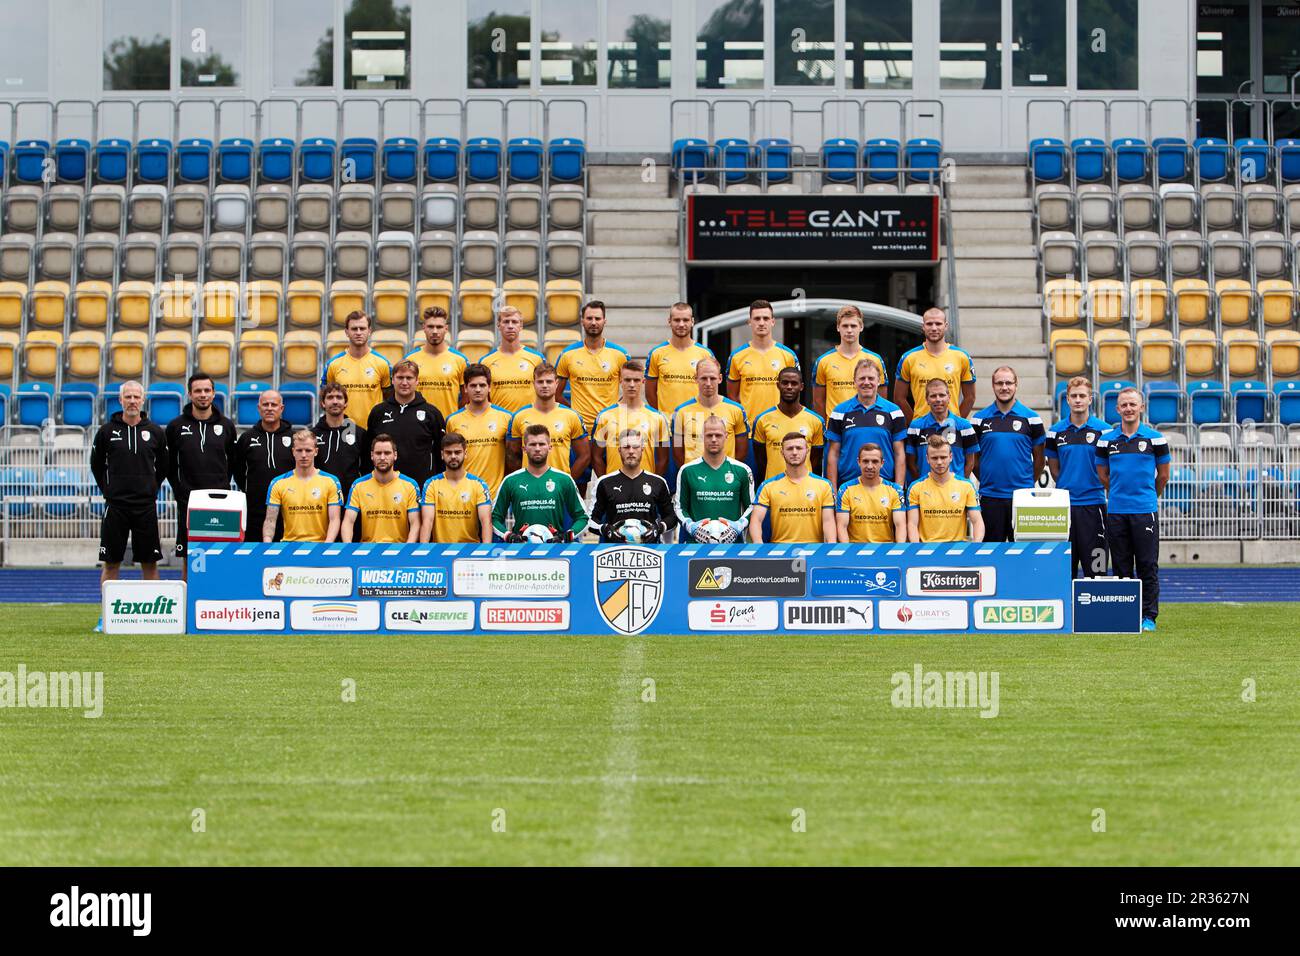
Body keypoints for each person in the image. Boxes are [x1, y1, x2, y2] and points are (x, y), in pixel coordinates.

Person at [90, 381, 167, 631]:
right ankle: (105, 616)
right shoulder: (106, 431)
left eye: (136, 396)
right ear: (120, 400)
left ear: (143, 400)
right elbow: (96, 465)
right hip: (116, 507)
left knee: (149, 562)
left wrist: (150, 488)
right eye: (128, 396)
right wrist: (110, 491)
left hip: (145, 506)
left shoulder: (155, 432)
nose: (132, 401)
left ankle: (154, 617)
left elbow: (164, 466)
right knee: (111, 563)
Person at [1096, 387, 1170, 632]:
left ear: (1141, 407)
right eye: (1124, 405)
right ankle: (1126, 613)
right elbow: (1103, 475)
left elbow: (1163, 476)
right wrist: (1119, 492)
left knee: (1147, 564)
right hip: (1116, 510)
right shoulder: (1106, 440)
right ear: (1117, 409)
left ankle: (1148, 616)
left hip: (1144, 510)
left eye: (1132, 404)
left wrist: (1148, 496)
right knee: (1121, 565)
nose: (1128, 409)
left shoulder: (1155, 438)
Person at [165, 373, 236, 575]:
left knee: (219, 554)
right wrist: (179, 490)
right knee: (190, 556)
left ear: (214, 394)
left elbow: (232, 462)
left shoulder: (227, 425)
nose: (203, 395)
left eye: (207, 390)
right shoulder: (176, 427)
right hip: (189, 501)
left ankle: (217, 601)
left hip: (220, 501)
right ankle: (189, 604)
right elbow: (169, 465)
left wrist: (223, 486)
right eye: (198, 391)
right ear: (189, 394)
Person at [970, 365, 1046, 542]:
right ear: (993, 386)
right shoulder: (979, 419)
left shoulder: (1032, 418)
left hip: (1023, 498)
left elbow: (1040, 461)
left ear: (1016, 384)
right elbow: (974, 460)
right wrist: (989, 479)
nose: (1004, 387)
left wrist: (1024, 483)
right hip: (990, 497)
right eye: (999, 383)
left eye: (1008, 383)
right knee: (991, 554)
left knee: (1022, 555)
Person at [1046, 376, 1110, 579]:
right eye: (1074, 396)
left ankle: (1095, 608)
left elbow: (1108, 469)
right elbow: (1054, 469)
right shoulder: (1055, 432)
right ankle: (1068, 611)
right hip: (1065, 506)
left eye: (1082, 396)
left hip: (1094, 505)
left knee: (1096, 568)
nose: (1078, 400)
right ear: (1067, 400)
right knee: (1065, 569)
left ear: (1090, 399)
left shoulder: (1105, 431)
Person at [492, 424, 589, 542]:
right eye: (532, 444)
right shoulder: (510, 481)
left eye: (542, 444)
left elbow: (583, 517)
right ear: (524, 449)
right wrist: (509, 535)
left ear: (550, 447)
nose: (537, 448)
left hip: (554, 550)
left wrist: (566, 536)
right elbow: (494, 518)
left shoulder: (564, 480)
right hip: (520, 551)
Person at [825, 360, 906, 494]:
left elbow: (899, 454)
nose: (866, 382)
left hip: (886, 487)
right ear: (854, 381)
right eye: (862, 378)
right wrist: (833, 491)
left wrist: (898, 489)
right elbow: (833, 454)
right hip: (847, 488)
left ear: (879, 381)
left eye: (871, 378)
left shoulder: (893, 412)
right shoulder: (840, 411)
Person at [366, 358, 447, 488]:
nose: (404, 382)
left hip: (422, 485)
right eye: (400, 377)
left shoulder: (432, 413)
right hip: (384, 486)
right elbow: (368, 452)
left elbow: (441, 453)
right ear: (392, 380)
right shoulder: (378, 412)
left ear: (417, 381)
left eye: (409, 378)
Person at [673, 415, 756, 542]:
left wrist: (738, 526)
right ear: (702, 437)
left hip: (732, 544)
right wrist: (691, 526)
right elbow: (679, 507)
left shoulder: (742, 470)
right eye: (709, 435)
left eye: (718, 435)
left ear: (726, 436)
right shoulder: (687, 470)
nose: (713, 439)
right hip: (695, 545)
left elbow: (751, 506)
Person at [554, 299, 629, 436]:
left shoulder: (620, 354)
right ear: (582, 320)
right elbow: (555, 394)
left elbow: (632, 389)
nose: (593, 322)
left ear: (604, 320)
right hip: (579, 430)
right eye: (589, 318)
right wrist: (573, 414)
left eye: (597, 318)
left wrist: (614, 410)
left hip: (610, 428)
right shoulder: (568, 354)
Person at [590, 430, 677, 543]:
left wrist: (659, 528)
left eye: (635, 447)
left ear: (642, 449)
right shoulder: (604, 483)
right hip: (614, 551)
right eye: (626, 447)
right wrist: (606, 530)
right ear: (619, 450)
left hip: (650, 550)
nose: (631, 451)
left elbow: (672, 517)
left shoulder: (658, 482)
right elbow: (590, 521)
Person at [749, 433, 836, 544]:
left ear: (807, 450)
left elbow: (828, 521)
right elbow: (756, 520)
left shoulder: (824, 485)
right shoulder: (768, 486)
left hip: (813, 550)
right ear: (782, 452)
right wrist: (758, 546)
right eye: (790, 449)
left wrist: (830, 547)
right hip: (779, 550)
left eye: (799, 448)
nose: (794, 452)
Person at [233, 389, 294, 545]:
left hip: (288, 508)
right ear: (259, 408)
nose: (269, 408)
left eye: (274, 404)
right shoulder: (246, 438)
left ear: (281, 408)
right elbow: (238, 470)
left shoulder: (294, 438)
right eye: (265, 404)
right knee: (255, 554)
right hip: (255, 509)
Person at [726, 299, 799, 426]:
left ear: (772, 322)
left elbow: (795, 392)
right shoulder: (737, 356)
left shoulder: (788, 355)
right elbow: (733, 396)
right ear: (749, 322)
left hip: (781, 426)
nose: (761, 323)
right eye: (757, 319)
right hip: (749, 429)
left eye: (765, 318)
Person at [893, 307, 976, 421]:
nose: (934, 328)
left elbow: (970, 397)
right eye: (929, 324)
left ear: (946, 326)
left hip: (951, 429)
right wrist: (914, 423)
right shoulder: (909, 358)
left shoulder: (961, 356)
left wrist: (956, 422)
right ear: (923, 327)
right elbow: (899, 398)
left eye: (938, 323)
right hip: (921, 430)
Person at [507, 362, 589, 476]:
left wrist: (567, 482)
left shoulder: (571, 416)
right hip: (528, 488)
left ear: (556, 383)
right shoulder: (519, 416)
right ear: (533, 384)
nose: (544, 385)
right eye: (540, 382)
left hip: (559, 488)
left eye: (549, 381)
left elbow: (585, 456)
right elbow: (512, 456)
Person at [263, 428, 343, 543]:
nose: (304, 455)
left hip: (319, 546)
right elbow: (270, 520)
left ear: (316, 451)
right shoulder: (278, 482)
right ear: (293, 451)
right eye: (299, 450)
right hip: (288, 547)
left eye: (308, 450)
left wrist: (326, 546)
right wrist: (267, 542)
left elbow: (335, 519)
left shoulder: (331, 481)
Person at [592, 361, 670, 475]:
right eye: (628, 380)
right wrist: (606, 484)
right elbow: (596, 457)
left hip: (645, 487)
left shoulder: (658, 417)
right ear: (620, 381)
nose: (632, 384)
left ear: (643, 382)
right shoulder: (605, 416)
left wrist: (654, 484)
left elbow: (663, 460)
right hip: (614, 488)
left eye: (637, 380)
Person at [445, 363, 512, 496]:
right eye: (473, 385)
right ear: (465, 388)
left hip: (495, 496)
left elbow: (512, 459)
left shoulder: (506, 418)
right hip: (463, 494)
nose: (478, 389)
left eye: (482, 385)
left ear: (489, 388)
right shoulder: (453, 420)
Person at [341, 434, 422, 543]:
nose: (382, 457)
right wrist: (348, 548)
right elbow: (348, 521)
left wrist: (406, 551)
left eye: (387, 453)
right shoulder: (359, 485)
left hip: (398, 551)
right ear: (372, 455)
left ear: (395, 455)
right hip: (368, 551)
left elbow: (415, 524)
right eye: (378, 453)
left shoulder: (410, 485)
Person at [812, 304, 888, 417]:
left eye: (853, 326)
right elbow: (818, 402)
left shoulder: (875, 360)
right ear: (838, 327)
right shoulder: (823, 361)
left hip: (866, 427)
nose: (849, 330)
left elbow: (882, 400)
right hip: (836, 431)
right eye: (845, 326)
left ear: (861, 327)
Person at [751, 366, 825, 481]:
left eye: (794, 383)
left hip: (805, 489)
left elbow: (815, 459)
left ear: (801, 387)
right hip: (773, 489)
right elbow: (761, 460)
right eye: (785, 383)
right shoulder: (762, 420)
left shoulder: (816, 421)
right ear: (778, 385)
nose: (789, 387)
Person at [671, 358, 749, 468]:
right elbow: (677, 454)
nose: (708, 383)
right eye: (703, 378)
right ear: (696, 379)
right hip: (694, 478)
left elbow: (741, 452)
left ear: (720, 378)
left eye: (712, 378)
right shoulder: (681, 412)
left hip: (726, 477)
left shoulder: (736, 410)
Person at [321, 310, 392, 427]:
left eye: (362, 328)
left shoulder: (382, 363)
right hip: (343, 429)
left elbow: (389, 397)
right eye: (354, 329)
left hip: (374, 429)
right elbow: (324, 397)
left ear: (369, 331)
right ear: (346, 332)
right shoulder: (333, 364)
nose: (358, 333)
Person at [908, 435, 984, 543]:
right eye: (934, 458)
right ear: (927, 459)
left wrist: (976, 545)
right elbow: (912, 524)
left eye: (943, 457)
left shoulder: (966, 486)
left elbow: (977, 521)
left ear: (951, 457)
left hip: (957, 550)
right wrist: (917, 549)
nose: (939, 462)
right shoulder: (916, 487)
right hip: (927, 549)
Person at [420, 433, 493, 544]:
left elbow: (486, 521)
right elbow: (427, 522)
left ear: (465, 453)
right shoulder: (431, 484)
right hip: (440, 550)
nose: (453, 456)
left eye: (457, 452)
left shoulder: (478, 485)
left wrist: (486, 553)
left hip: (470, 550)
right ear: (442, 454)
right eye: (449, 452)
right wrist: (423, 552)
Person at [645, 302, 714, 418]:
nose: (681, 324)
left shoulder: (705, 354)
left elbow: (712, 390)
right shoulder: (657, 353)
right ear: (669, 321)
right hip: (667, 424)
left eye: (685, 320)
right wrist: (664, 415)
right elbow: (650, 393)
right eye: (677, 320)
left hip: (697, 422)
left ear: (692, 322)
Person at [905, 378, 980, 481]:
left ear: (949, 397)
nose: (938, 399)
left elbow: (971, 463)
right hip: (926, 490)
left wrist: (960, 483)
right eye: (933, 396)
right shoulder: (916, 426)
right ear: (927, 399)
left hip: (955, 491)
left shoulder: (964, 426)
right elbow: (911, 463)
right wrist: (922, 483)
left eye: (942, 395)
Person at [836, 443, 907, 544]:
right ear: (858, 462)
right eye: (865, 461)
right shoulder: (845, 489)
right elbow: (841, 527)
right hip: (854, 550)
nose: (870, 466)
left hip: (885, 550)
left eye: (875, 461)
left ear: (882, 463)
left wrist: (898, 552)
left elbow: (900, 526)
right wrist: (848, 554)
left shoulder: (895, 490)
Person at [405, 305, 468, 418]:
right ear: (424, 327)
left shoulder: (460, 360)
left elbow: (467, 396)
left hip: (448, 426)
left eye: (439, 327)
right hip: (418, 424)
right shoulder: (411, 359)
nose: (435, 331)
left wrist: (454, 417)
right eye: (430, 326)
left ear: (446, 328)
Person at [481, 305, 545, 414]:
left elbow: (546, 393)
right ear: (498, 325)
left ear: (521, 326)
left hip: (528, 423)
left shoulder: (537, 358)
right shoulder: (486, 361)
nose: (510, 326)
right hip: (499, 424)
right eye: (506, 322)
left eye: (514, 322)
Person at [312, 382, 367, 498]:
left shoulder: (359, 433)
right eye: (330, 397)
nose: (335, 401)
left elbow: (367, 469)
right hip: (321, 497)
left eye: (339, 397)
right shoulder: (313, 435)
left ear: (345, 403)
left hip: (352, 499)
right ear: (323, 403)